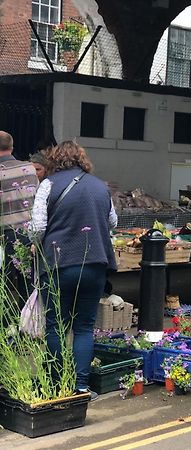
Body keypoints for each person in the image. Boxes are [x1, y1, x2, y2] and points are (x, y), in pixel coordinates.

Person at [29, 141, 117, 400]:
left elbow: (37, 227)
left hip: (59, 266)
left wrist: (37, 246)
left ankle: (57, 384)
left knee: (56, 326)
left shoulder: (48, 185)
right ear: (81, 159)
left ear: (55, 160)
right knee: (84, 327)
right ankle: (81, 386)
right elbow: (113, 221)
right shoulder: (100, 186)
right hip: (94, 266)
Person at [0, 131, 38, 308]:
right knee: (27, 283)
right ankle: (27, 326)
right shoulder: (29, 168)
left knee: (4, 284)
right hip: (28, 234)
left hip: (4, 236)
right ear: (12, 147)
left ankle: (6, 326)